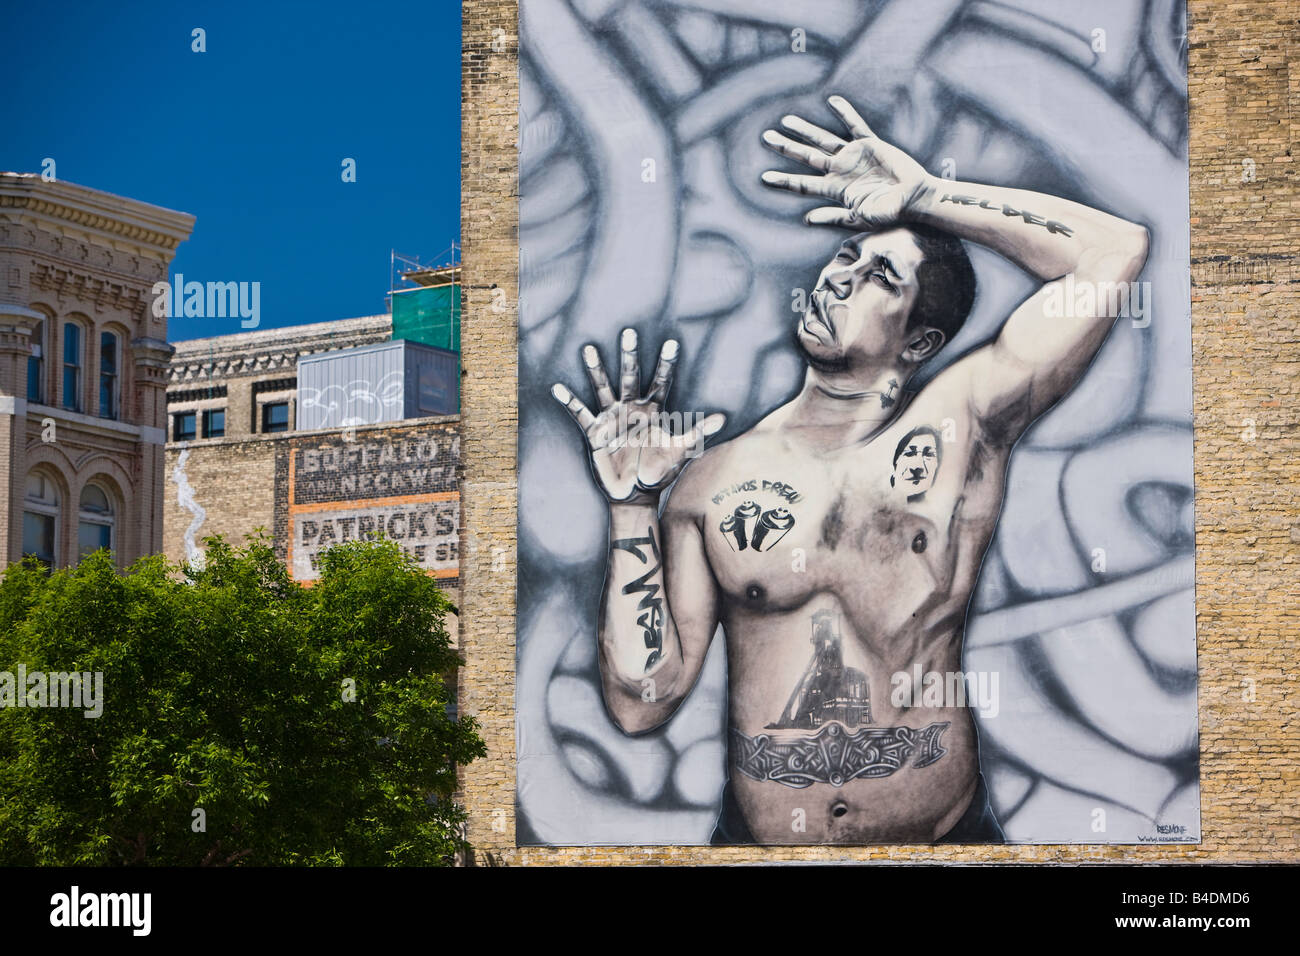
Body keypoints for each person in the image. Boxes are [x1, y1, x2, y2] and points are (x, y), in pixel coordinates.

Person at [550, 95, 1149, 844]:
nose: (840, 278)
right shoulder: (712, 480)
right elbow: (644, 702)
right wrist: (632, 508)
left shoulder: (963, 424)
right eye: (844, 258)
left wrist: (928, 196)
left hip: (945, 842)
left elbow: (1112, 251)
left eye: (880, 278)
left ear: (919, 341)